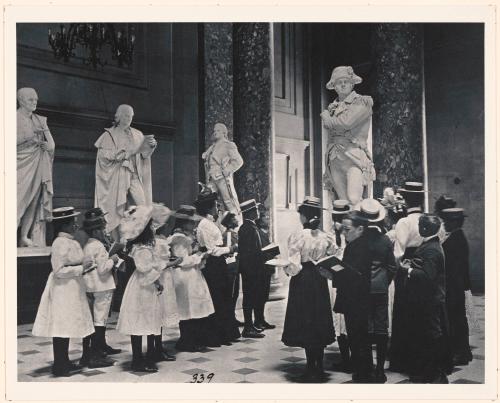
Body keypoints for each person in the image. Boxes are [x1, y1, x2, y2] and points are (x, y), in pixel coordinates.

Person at [32, 207, 95, 377]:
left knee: (66, 325)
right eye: (72, 222)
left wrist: (86, 267)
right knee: (61, 326)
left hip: (72, 288)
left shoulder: (71, 242)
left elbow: (74, 264)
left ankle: (64, 361)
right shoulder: (60, 243)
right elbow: (58, 270)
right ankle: (60, 365)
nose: (75, 225)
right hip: (62, 290)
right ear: (64, 225)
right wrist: (81, 268)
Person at [282, 196, 336, 382]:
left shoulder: (298, 236)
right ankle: (319, 366)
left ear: (303, 216)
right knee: (319, 318)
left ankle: (310, 366)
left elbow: (295, 265)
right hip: (319, 279)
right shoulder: (326, 236)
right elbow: (332, 255)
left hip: (303, 279)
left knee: (305, 320)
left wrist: (286, 268)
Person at [399, 214, 451, 383]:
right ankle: (429, 372)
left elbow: (428, 277)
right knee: (426, 336)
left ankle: (434, 374)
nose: (418, 227)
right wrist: (413, 264)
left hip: (429, 300)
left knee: (430, 336)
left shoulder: (432, 248)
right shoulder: (431, 244)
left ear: (425, 229)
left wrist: (408, 270)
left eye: (420, 225)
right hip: (428, 299)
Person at [94, 104, 157, 238]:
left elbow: (144, 156)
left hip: (135, 175)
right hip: (119, 176)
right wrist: (132, 150)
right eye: (127, 115)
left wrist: (150, 147)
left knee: (143, 206)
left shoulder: (137, 134)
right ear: (119, 116)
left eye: (131, 116)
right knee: (118, 210)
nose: (129, 118)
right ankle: (119, 239)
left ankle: (142, 237)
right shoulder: (109, 135)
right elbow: (107, 156)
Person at [116, 205, 164, 373]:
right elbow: (145, 270)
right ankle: (140, 359)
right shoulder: (142, 249)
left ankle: (145, 357)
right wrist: (157, 281)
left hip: (142, 286)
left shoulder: (140, 247)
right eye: (150, 225)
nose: (152, 228)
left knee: (145, 321)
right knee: (143, 320)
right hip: (143, 288)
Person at [321, 66, 375, 206]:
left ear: (352, 84)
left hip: (354, 156)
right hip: (335, 156)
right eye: (339, 82)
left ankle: (360, 226)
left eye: (346, 81)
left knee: (354, 198)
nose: (343, 84)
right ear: (334, 86)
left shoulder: (363, 102)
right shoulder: (334, 107)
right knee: (342, 203)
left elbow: (346, 123)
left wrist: (327, 118)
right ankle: (346, 227)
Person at [195, 187, 241, 345]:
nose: (218, 208)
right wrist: (230, 249)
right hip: (213, 266)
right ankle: (216, 336)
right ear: (208, 207)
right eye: (215, 205)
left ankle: (223, 334)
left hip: (217, 264)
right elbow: (212, 250)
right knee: (218, 299)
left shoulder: (209, 223)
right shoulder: (205, 225)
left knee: (222, 299)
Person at [168, 205, 217, 352]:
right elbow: (183, 261)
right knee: (187, 308)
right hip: (184, 277)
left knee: (192, 308)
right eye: (190, 222)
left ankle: (192, 339)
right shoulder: (179, 238)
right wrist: (200, 255)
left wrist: (198, 256)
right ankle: (186, 340)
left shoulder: (186, 237)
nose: (193, 225)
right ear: (183, 223)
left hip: (191, 276)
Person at [389, 181, 425, 373]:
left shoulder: (404, 222)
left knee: (404, 311)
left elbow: (398, 252)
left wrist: (398, 271)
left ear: (406, 199)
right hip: (425, 268)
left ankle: (404, 358)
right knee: (422, 311)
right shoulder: (429, 219)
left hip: (407, 267)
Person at [361, 200, 397, 383]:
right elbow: (392, 267)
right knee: (382, 329)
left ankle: (367, 368)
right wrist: (383, 281)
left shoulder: (359, 241)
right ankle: (380, 371)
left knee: (365, 329)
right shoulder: (385, 241)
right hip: (380, 289)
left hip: (362, 290)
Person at [80, 208, 121, 368]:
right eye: (102, 229)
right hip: (101, 286)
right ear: (96, 230)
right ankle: (95, 356)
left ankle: (90, 354)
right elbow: (103, 269)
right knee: (100, 321)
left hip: (91, 286)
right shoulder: (98, 246)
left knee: (93, 321)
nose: (104, 231)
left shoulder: (88, 245)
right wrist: (113, 259)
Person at [17, 87, 55, 247]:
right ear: (20, 100)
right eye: (30, 100)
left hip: (37, 164)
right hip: (19, 164)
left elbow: (52, 145)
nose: (34, 102)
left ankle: (24, 236)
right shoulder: (12, 118)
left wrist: (47, 145)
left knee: (33, 201)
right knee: (18, 200)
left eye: (36, 100)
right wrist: (30, 139)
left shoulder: (40, 120)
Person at [440, 208, 473, 366]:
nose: (444, 224)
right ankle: (464, 351)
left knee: (455, 319)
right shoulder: (458, 237)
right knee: (459, 319)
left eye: (447, 221)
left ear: (455, 222)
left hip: (453, 286)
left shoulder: (454, 240)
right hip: (458, 285)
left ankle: (459, 353)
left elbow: (452, 267)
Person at [151, 203, 179, 361]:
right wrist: (173, 263)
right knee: (159, 311)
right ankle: (156, 348)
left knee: (161, 312)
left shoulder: (161, 240)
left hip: (165, 276)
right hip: (161, 277)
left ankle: (158, 346)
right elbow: (158, 263)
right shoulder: (158, 242)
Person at [238, 199, 268, 338]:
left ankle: (253, 324)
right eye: (255, 210)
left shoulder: (251, 227)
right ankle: (248, 327)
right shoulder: (246, 228)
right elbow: (248, 253)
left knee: (254, 296)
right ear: (250, 212)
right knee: (249, 297)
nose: (258, 212)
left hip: (254, 269)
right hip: (250, 270)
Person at [329, 199, 352, 373]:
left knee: (346, 320)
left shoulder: (351, 236)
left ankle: (350, 358)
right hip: (337, 282)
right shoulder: (331, 235)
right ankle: (346, 357)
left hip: (347, 281)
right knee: (340, 320)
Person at [202, 123, 243, 218]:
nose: (215, 132)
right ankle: (215, 223)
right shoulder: (212, 147)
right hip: (211, 178)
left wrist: (228, 170)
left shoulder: (229, 145)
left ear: (224, 133)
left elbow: (239, 161)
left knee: (229, 201)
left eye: (218, 130)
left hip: (222, 177)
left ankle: (236, 224)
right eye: (214, 131)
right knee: (206, 200)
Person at [220, 211, 244, 327]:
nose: (237, 220)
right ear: (229, 222)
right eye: (234, 219)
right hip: (231, 269)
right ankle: (229, 320)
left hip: (235, 268)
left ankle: (232, 318)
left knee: (234, 295)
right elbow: (229, 254)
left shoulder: (233, 233)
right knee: (230, 295)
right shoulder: (229, 234)